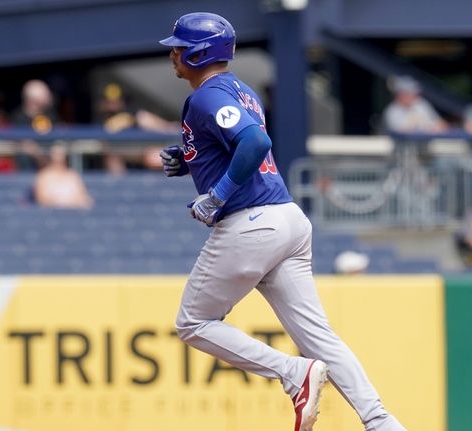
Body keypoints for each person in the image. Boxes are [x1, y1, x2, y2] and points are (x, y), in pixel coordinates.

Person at [157, 13, 405, 431]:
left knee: (193, 323)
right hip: (288, 218)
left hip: (250, 222)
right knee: (320, 338)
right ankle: (381, 422)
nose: (173, 53)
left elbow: (255, 142)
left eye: (179, 47)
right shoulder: (241, 90)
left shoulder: (206, 95)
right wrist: (190, 159)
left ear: (200, 54)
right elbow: (237, 144)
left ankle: (293, 374)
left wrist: (215, 195)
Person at [33, 144, 93, 209]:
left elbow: (83, 197)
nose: (58, 161)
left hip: (72, 212)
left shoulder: (72, 175)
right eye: (56, 158)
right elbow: (41, 198)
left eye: (61, 158)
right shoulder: (43, 176)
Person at [382, 76, 447, 133]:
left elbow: (441, 124)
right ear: (400, 94)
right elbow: (401, 133)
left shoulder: (421, 104)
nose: (414, 96)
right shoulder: (392, 111)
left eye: (414, 93)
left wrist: (434, 127)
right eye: (409, 93)